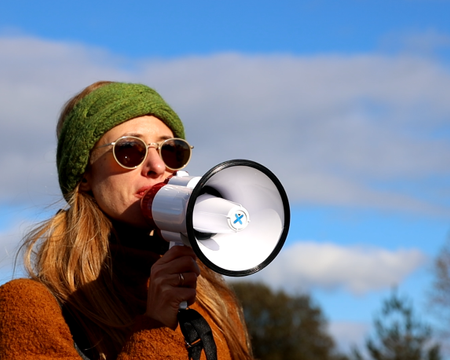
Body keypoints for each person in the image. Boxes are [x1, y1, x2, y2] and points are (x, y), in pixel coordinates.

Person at [0, 81, 254, 360]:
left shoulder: (215, 302)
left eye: (170, 150)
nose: (158, 167)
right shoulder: (30, 307)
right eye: (130, 150)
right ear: (84, 175)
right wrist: (156, 325)